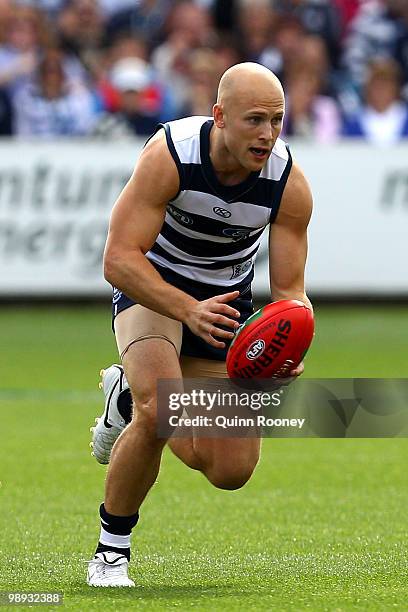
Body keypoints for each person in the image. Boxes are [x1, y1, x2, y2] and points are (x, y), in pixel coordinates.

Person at [87, 62, 313, 587]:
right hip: (153, 287)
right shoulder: (172, 155)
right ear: (219, 117)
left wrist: (290, 344)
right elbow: (119, 259)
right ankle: (111, 552)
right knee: (157, 408)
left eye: (277, 120)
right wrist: (186, 309)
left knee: (231, 471)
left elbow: (290, 295)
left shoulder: (288, 184)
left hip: (226, 303)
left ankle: (123, 397)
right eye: (255, 119)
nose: (268, 134)